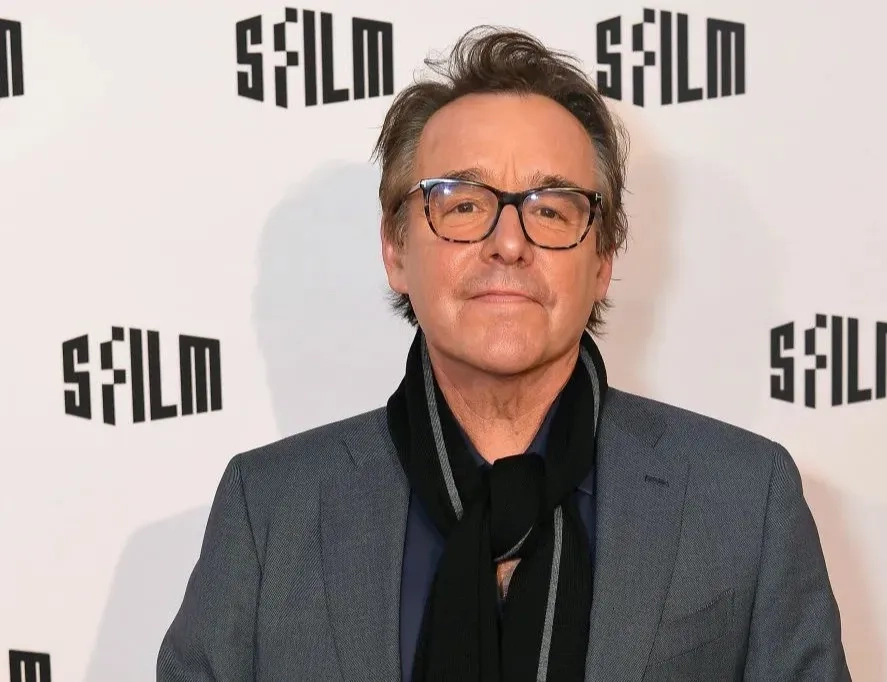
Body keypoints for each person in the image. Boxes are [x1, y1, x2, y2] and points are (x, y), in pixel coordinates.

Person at [157, 25, 851, 682]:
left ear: (603, 260)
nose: (509, 243)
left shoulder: (744, 500)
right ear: (396, 250)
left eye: (551, 208)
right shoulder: (269, 508)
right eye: (462, 204)